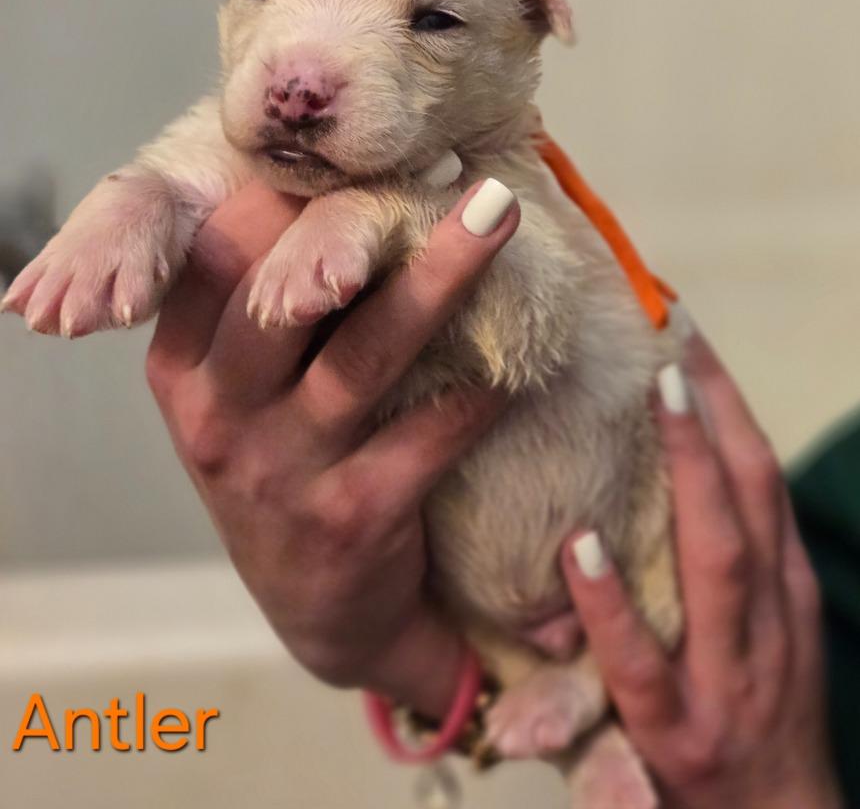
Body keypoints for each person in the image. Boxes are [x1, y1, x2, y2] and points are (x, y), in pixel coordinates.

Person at [146, 180, 844, 808]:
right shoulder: (830, 523)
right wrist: (407, 656)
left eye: (433, 24)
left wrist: (772, 789)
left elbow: (527, 332)